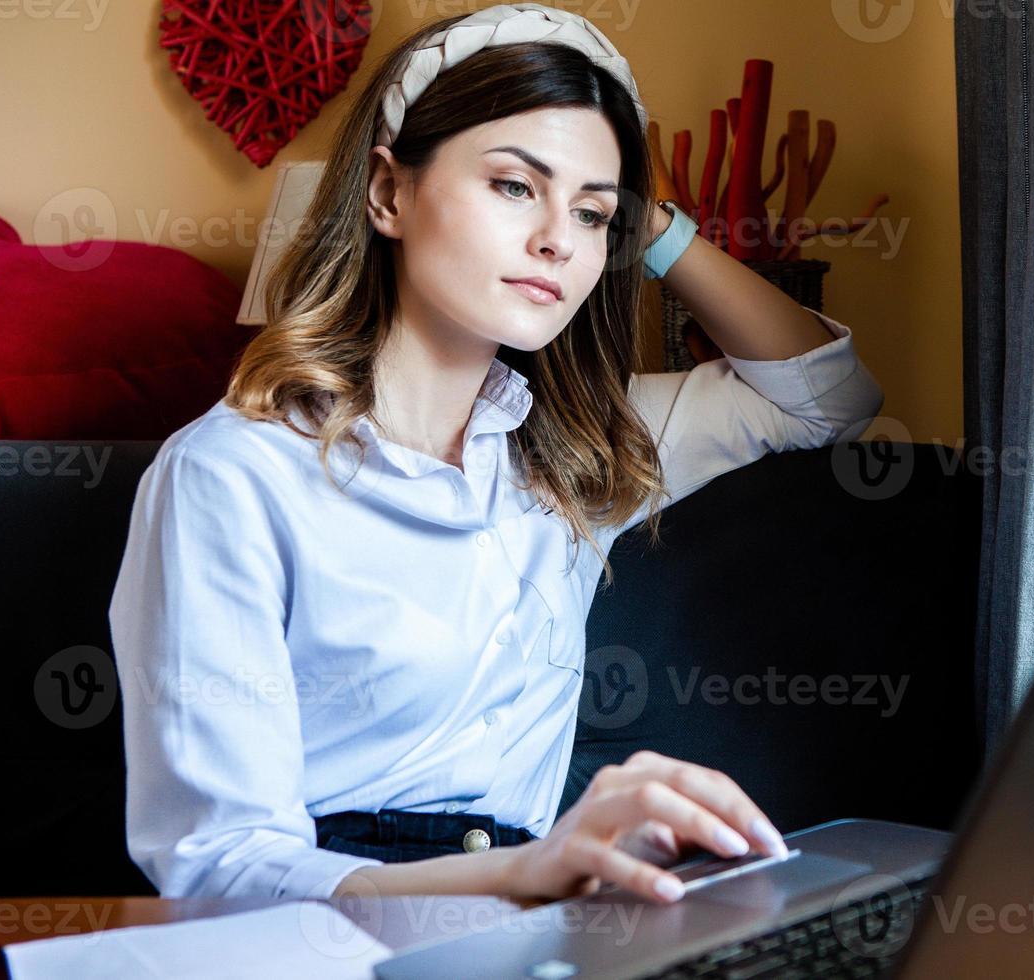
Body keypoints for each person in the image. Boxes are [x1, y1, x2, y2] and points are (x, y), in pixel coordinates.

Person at [108, 3, 884, 907]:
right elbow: (221, 863)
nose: (559, 237)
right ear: (389, 194)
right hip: (326, 935)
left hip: (528, 917)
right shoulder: (230, 476)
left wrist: (658, 227)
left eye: (594, 214)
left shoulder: (584, 451)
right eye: (516, 186)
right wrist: (524, 876)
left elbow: (829, 398)